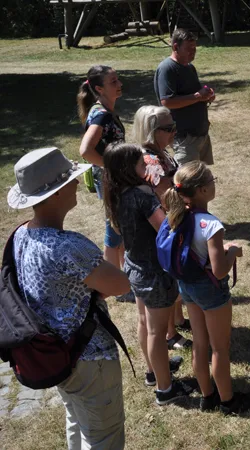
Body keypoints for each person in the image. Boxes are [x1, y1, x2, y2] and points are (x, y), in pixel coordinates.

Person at [7, 147, 131, 450]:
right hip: (90, 359)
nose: (77, 184)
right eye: (70, 180)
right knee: (103, 438)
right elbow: (120, 284)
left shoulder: (20, 235)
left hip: (58, 354)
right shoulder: (69, 246)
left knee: (78, 422)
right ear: (54, 195)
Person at [163, 161, 250, 414]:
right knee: (219, 348)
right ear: (203, 191)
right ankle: (229, 401)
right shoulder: (211, 224)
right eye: (212, 180)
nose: (214, 183)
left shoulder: (177, 214)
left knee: (199, 343)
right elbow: (219, 270)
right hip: (210, 290)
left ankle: (207, 396)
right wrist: (232, 252)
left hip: (187, 287)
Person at [102, 144, 194, 405]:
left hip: (135, 266)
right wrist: (176, 208)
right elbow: (164, 230)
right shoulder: (143, 197)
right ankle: (165, 390)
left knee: (145, 323)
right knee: (155, 331)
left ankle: (154, 372)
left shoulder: (116, 193)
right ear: (127, 169)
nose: (146, 167)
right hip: (153, 273)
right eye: (141, 164)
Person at [131, 105, 193, 349]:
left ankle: (177, 319)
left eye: (174, 126)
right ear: (152, 131)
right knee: (168, 276)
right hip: (163, 225)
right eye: (169, 128)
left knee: (173, 276)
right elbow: (165, 191)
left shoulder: (161, 152)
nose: (174, 132)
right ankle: (169, 333)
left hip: (172, 218)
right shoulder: (149, 159)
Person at [77, 65, 131, 303]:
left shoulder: (104, 110)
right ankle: (113, 286)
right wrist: (109, 167)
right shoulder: (101, 115)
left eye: (117, 79)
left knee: (117, 225)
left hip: (111, 178)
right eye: (112, 82)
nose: (118, 84)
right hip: (110, 179)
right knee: (114, 228)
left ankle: (121, 278)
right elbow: (85, 150)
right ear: (99, 88)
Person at [154, 28, 215, 166]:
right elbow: (167, 101)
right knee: (187, 180)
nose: (193, 52)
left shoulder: (189, 67)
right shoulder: (167, 68)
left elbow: (193, 94)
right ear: (176, 47)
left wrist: (206, 96)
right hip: (184, 137)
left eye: (194, 48)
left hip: (200, 134)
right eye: (189, 48)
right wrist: (198, 96)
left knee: (200, 177)